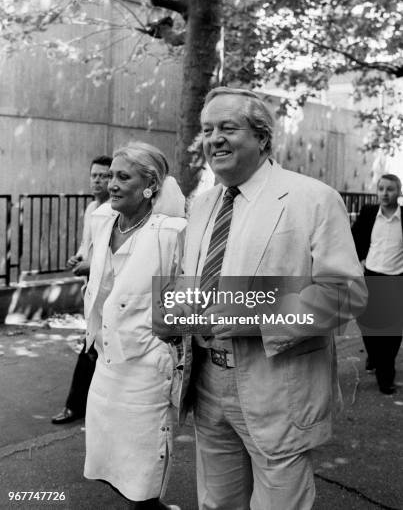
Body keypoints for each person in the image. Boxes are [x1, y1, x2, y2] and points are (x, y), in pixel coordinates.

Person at [157, 87, 366, 510]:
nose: (213, 138)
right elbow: (188, 280)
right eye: (207, 129)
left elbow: (348, 295)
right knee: (217, 504)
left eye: (227, 128)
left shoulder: (313, 198)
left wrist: (259, 316)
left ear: (263, 139)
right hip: (207, 382)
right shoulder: (201, 204)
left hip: (278, 387)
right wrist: (174, 310)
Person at [84, 142, 185, 510]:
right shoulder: (104, 222)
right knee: (110, 460)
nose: (111, 183)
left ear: (150, 185)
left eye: (123, 177)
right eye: (111, 175)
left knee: (142, 468)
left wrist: (170, 331)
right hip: (107, 361)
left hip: (146, 366)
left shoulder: (171, 232)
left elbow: (191, 288)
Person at [52, 155, 112, 425]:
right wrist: (78, 259)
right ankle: (90, 404)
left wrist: (90, 267)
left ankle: (74, 405)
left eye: (105, 175)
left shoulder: (116, 210)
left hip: (110, 290)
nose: (98, 180)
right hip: (90, 288)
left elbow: (113, 256)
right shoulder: (90, 209)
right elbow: (86, 245)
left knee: (92, 346)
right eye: (95, 175)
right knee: (95, 346)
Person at [352, 174, 403, 395]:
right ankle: (375, 356)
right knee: (368, 327)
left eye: (390, 189)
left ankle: (386, 375)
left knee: (392, 333)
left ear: (399, 192)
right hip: (370, 276)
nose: (384, 193)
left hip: (396, 279)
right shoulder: (369, 213)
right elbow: (354, 240)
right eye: (381, 188)